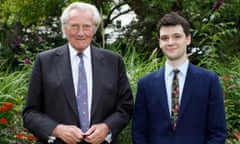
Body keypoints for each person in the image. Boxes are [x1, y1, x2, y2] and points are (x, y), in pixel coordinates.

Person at [22, 2, 134, 144]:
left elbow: (125, 106)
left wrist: (106, 128)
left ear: (94, 29)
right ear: (64, 28)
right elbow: (30, 113)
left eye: (86, 26)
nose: (80, 33)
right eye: (74, 26)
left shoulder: (113, 61)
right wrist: (57, 129)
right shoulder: (44, 61)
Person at [131, 12, 227, 144]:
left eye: (177, 36)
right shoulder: (146, 84)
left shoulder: (209, 81)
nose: (170, 42)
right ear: (159, 42)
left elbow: (218, 132)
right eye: (165, 38)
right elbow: (139, 131)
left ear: (188, 39)